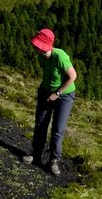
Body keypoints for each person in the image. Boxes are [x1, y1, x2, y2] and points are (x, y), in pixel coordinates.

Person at [23, 28, 77, 175]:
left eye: (37, 45)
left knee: (57, 130)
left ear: (44, 45)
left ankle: (54, 160)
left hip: (64, 95)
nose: (35, 48)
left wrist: (57, 93)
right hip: (46, 92)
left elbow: (73, 76)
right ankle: (36, 155)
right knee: (40, 123)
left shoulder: (60, 56)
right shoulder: (42, 56)